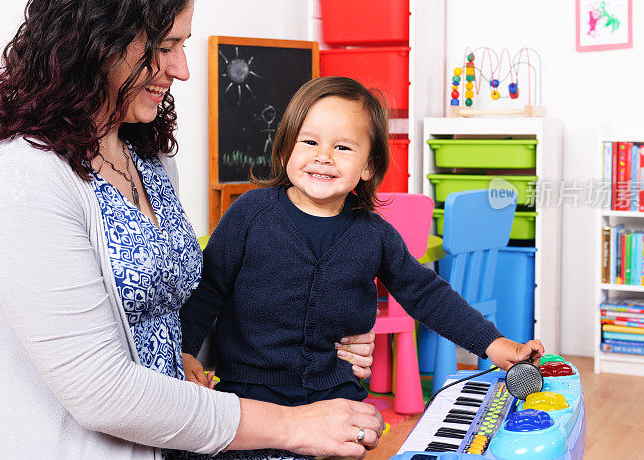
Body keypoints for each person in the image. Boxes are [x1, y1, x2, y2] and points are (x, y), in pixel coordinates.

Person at [0, 0, 383, 459]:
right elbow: (102, 391)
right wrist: (294, 425)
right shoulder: (22, 178)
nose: (182, 69)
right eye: (165, 48)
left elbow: (170, 315)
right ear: (95, 41)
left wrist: (313, 337)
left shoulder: (148, 158)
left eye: (181, 45)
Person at [179, 77, 545, 411]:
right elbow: (207, 289)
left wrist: (495, 344)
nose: (323, 156)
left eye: (342, 147)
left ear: (368, 166)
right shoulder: (249, 214)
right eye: (309, 142)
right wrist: (184, 352)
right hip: (248, 395)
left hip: (335, 394)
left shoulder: (374, 234)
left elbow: (426, 293)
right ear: (285, 149)